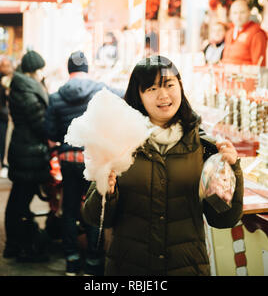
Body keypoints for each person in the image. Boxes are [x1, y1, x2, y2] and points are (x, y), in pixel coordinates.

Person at [82, 55, 243, 276]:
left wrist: (233, 169)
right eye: (151, 88)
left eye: (169, 85)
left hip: (187, 267)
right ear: (138, 95)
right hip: (130, 268)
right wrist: (106, 191)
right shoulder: (119, 142)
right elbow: (94, 217)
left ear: (180, 87)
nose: (163, 95)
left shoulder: (204, 147)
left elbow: (223, 218)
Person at [45, 50, 124, 276]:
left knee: (69, 210)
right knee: (94, 209)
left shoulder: (56, 97)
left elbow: (50, 134)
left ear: (69, 70)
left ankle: (71, 261)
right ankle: (92, 263)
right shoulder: (102, 90)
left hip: (67, 161)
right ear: (88, 69)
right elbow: (129, 96)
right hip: (94, 160)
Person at [3, 50, 50, 262]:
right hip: (28, 152)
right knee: (20, 201)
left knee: (19, 200)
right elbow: (40, 123)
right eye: (40, 70)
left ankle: (15, 243)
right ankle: (18, 244)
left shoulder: (23, 87)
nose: (42, 74)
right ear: (32, 71)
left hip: (24, 149)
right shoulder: (27, 91)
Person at [222, 0, 267, 66]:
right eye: (235, 13)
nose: (238, 17)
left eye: (242, 12)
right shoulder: (229, 33)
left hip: (244, 75)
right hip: (226, 74)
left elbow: (258, 68)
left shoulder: (257, 34)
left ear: (249, 12)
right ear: (230, 15)